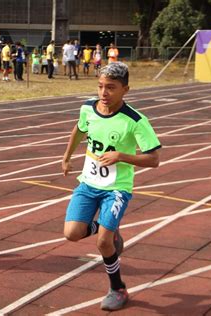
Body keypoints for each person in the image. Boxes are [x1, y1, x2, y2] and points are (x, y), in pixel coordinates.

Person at [61, 62, 161, 311]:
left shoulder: (135, 120)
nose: (104, 93)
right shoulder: (88, 108)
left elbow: (154, 159)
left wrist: (122, 156)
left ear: (125, 89)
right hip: (88, 182)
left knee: (103, 243)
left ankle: (118, 288)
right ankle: (109, 228)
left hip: (116, 187)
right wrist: (66, 157)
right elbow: (79, 129)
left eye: (111, 88)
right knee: (72, 233)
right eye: (100, 86)